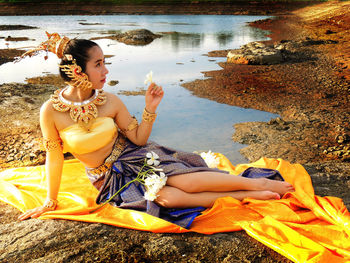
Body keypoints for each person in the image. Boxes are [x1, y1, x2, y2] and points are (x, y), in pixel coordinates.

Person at [17, 32, 294, 228]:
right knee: (167, 198)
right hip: (107, 180)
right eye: (98, 64)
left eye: (105, 63)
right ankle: (245, 195)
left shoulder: (111, 101)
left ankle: (258, 184)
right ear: (78, 70)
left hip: (136, 157)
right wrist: (49, 201)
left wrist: (150, 107)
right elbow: (54, 157)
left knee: (185, 182)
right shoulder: (51, 111)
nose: (106, 71)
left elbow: (138, 139)